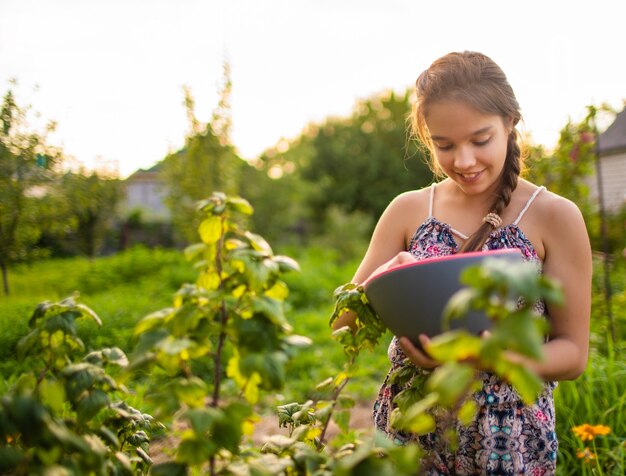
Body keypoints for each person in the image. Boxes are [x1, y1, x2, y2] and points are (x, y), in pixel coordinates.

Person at [332, 51, 592, 475]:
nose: (464, 161)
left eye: (480, 139)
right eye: (444, 145)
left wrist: (489, 358)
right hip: (410, 426)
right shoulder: (408, 210)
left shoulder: (555, 216)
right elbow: (343, 322)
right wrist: (385, 279)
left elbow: (572, 353)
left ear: (511, 123)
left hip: (509, 438)